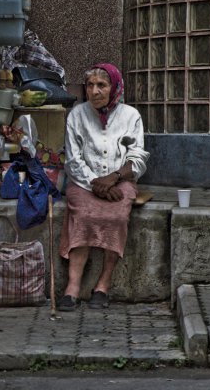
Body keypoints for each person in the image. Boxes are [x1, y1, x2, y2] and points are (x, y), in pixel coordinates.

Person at [58, 63, 150, 311]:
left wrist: (115, 177)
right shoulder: (77, 115)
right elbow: (73, 159)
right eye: (90, 85)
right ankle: (73, 286)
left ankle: (103, 284)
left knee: (117, 217)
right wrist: (95, 184)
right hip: (83, 182)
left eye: (102, 85)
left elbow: (138, 157)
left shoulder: (130, 116)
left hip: (120, 182)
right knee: (83, 215)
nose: (95, 91)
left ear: (115, 87)